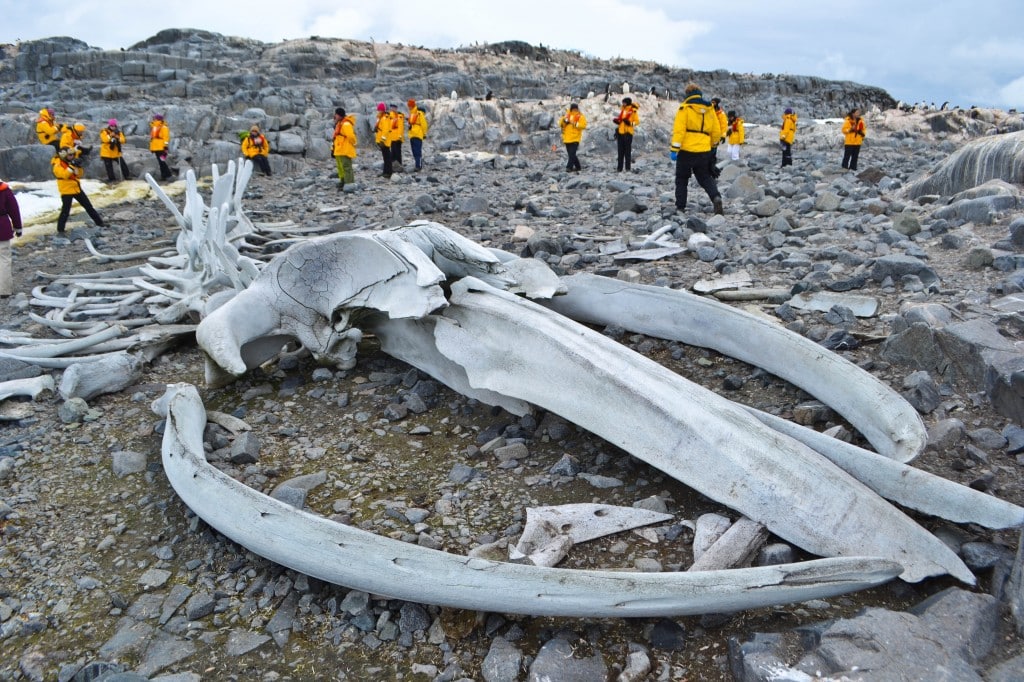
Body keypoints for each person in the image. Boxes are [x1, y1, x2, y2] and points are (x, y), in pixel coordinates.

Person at [669, 83, 723, 215]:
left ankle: (680, 206)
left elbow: (679, 131)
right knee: (705, 177)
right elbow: (716, 131)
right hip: (704, 150)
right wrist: (712, 146)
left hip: (686, 150)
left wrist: (674, 149)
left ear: (687, 95)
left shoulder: (685, 108)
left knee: (682, 178)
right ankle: (716, 197)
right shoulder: (710, 110)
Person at [53, 147, 104, 233]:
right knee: (65, 211)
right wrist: (72, 165)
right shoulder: (57, 165)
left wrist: (78, 166)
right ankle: (60, 229)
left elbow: (79, 174)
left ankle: (100, 222)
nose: (72, 156)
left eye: (72, 154)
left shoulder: (69, 162)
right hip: (66, 190)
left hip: (76, 188)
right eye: (70, 155)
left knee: (88, 206)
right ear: (64, 156)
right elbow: (64, 175)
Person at [0, 178, 23, 297]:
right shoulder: (3, 189)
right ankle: (4, 290)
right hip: (1, 228)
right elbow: (14, 209)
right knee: (3, 259)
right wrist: (18, 227)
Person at [332, 107, 357, 190]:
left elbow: (351, 136)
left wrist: (354, 143)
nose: (335, 116)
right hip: (339, 148)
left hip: (344, 149)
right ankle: (343, 181)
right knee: (341, 167)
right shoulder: (340, 123)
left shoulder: (346, 124)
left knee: (346, 166)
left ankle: (349, 183)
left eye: (336, 114)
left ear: (339, 115)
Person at [559, 102, 587, 172]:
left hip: (575, 138)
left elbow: (583, 125)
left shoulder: (580, 116)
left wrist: (575, 124)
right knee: (572, 154)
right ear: (571, 109)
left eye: (575, 109)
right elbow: (560, 124)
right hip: (567, 138)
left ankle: (569, 167)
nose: (574, 110)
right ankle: (578, 167)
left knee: (572, 153)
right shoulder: (567, 115)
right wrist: (564, 121)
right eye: (573, 109)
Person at [613, 97, 639, 172]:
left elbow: (637, 121)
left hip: (628, 133)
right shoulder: (623, 110)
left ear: (627, 103)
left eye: (624, 102)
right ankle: (619, 168)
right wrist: (617, 122)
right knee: (620, 152)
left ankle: (628, 168)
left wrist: (630, 123)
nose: (623, 104)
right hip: (620, 133)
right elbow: (621, 121)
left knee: (627, 152)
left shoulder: (633, 111)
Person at [149, 113, 173, 181]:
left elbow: (166, 138)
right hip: (156, 147)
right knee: (161, 161)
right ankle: (164, 175)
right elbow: (153, 138)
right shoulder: (154, 127)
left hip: (161, 147)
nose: (153, 119)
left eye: (155, 118)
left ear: (158, 119)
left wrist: (165, 146)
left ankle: (167, 174)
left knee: (162, 161)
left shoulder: (164, 127)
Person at [407, 99, 428, 171]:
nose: (408, 107)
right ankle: (417, 164)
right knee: (414, 150)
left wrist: (424, 133)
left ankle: (418, 166)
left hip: (418, 134)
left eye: (409, 105)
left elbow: (424, 124)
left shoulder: (419, 113)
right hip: (412, 134)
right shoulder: (412, 113)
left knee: (417, 150)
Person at [708, 97, 727, 177]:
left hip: (715, 136)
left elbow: (723, 125)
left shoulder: (721, 114)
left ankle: (712, 170)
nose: (712, 104)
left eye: (714, 102)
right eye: (712, 102)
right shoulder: (708, 111)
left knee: (712, 154)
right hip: (707, 136)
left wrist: (723, 135)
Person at [373, 102, 393, 178]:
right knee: (385, 156)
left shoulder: (385, 118)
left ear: (382, 110)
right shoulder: (381, 117)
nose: (378, 111)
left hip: (384, 141)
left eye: (379, 110)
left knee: (387, 157)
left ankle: (388, 172)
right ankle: (385, 171)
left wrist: (382, 140)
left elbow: (385, 130)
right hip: (382, 140)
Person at [388, 104, 406, 168]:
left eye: (394, 107)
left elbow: (401, 127)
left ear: (396, 108)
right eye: (392, 107)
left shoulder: (400, 116)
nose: (392, 109)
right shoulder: (389, 115)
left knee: (398, 151)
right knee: (394, 150)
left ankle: (398, 164)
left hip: (398, 137)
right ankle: (394, 164)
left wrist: (400, 136)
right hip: (392, 137)